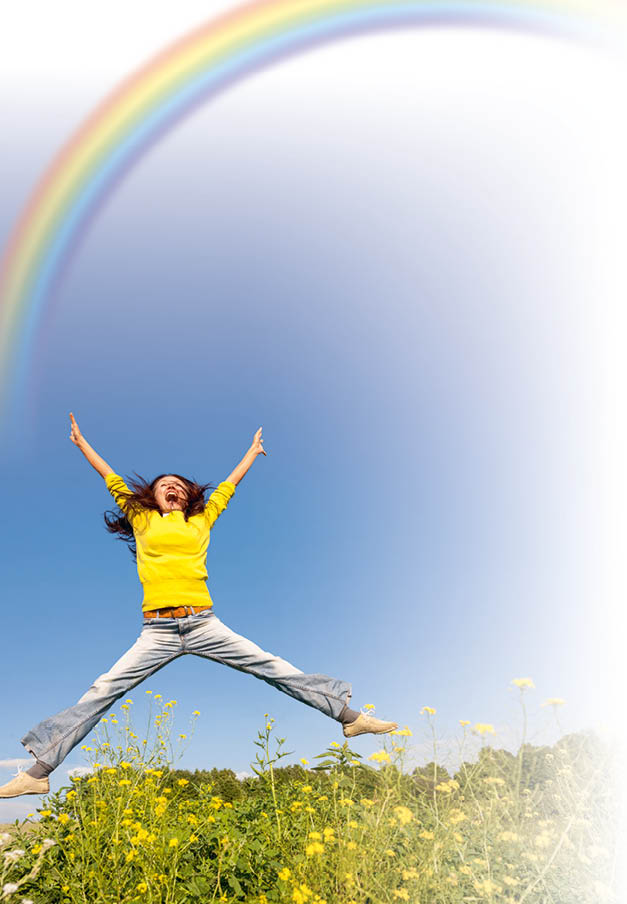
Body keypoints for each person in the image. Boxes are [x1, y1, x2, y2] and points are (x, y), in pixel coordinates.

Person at [0, 414, 397, 798]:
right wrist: (83, 442)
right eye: (163, 486)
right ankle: (38, 773)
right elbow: (110, 478)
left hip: (203, 624)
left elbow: (228, 485)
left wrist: (251, 452)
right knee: (102, 690)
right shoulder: (141, 517)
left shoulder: (202, 520)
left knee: (273, 667)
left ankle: (351, 719)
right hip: (156, 631)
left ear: (189, 495)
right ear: (151, 496)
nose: (171, 488)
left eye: (178, 485)